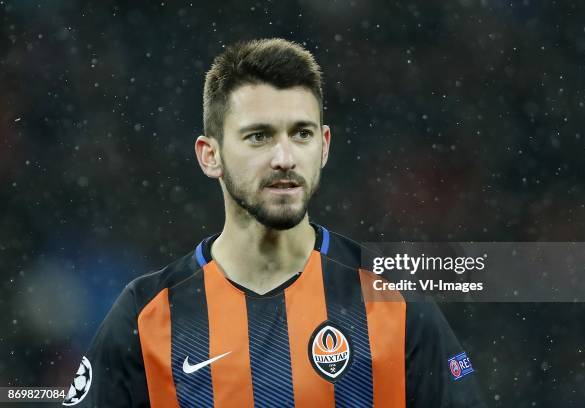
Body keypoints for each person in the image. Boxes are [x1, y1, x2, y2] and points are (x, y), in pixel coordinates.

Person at [63, 38, 486, 407]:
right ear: (209, 155)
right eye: (259, 136)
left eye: (300, 134)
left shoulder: (392, 300)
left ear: (323, 146)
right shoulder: (147, 313)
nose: (284, 158)